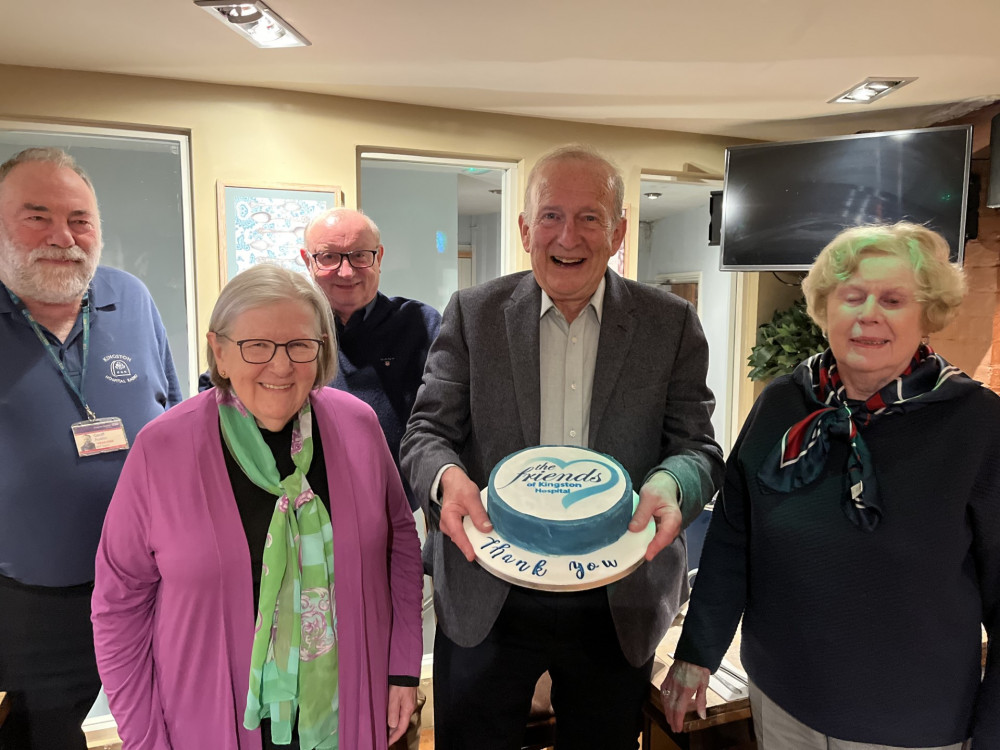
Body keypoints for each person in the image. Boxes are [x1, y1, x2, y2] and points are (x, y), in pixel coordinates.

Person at [400, 144, 725, 749]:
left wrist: (674, 482)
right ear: (525, 229)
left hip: (615, 597)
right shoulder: (474, 314)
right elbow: (426, 433)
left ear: (619, 230)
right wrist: (446, 480)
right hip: (489, 588)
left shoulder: (670, 323)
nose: (567, 236)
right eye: (550, 215)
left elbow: (698, 447)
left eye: (590, 217)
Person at [661, 222, 1000, 749]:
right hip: (781, 700)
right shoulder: (782, 403)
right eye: (852, 296)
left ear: (927, 314)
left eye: (893, 299)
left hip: (911, 725)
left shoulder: (977, 425)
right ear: (825, 308)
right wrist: (697, 652)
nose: (868, 314)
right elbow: (733, 537)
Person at [92, 264, 424, 749]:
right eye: (257, 346)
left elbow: (400, 546)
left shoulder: (358, 426)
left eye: (299, 345)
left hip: (348, 706)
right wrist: (143, 737)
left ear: (321, 351)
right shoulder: (162, 448)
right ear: (220, 353)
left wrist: (402, 667)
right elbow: (118, 607)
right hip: (208, 720)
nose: (281, 365)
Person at [0, 147, 181, 750]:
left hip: (148, 580)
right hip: (34, 595)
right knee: (48, 729)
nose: (63, 237)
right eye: (36, 216)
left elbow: (172, 417)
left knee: (161, 713)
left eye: (80, 219)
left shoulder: (130, 297)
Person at [299, 208, 441, 512]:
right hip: (303, 509)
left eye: (360, 255)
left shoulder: (421, 324)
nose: (346, 271)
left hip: (398, 507)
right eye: (329, 257)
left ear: (379, 257)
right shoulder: (287, 326)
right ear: (306, 260)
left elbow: (446, 420)